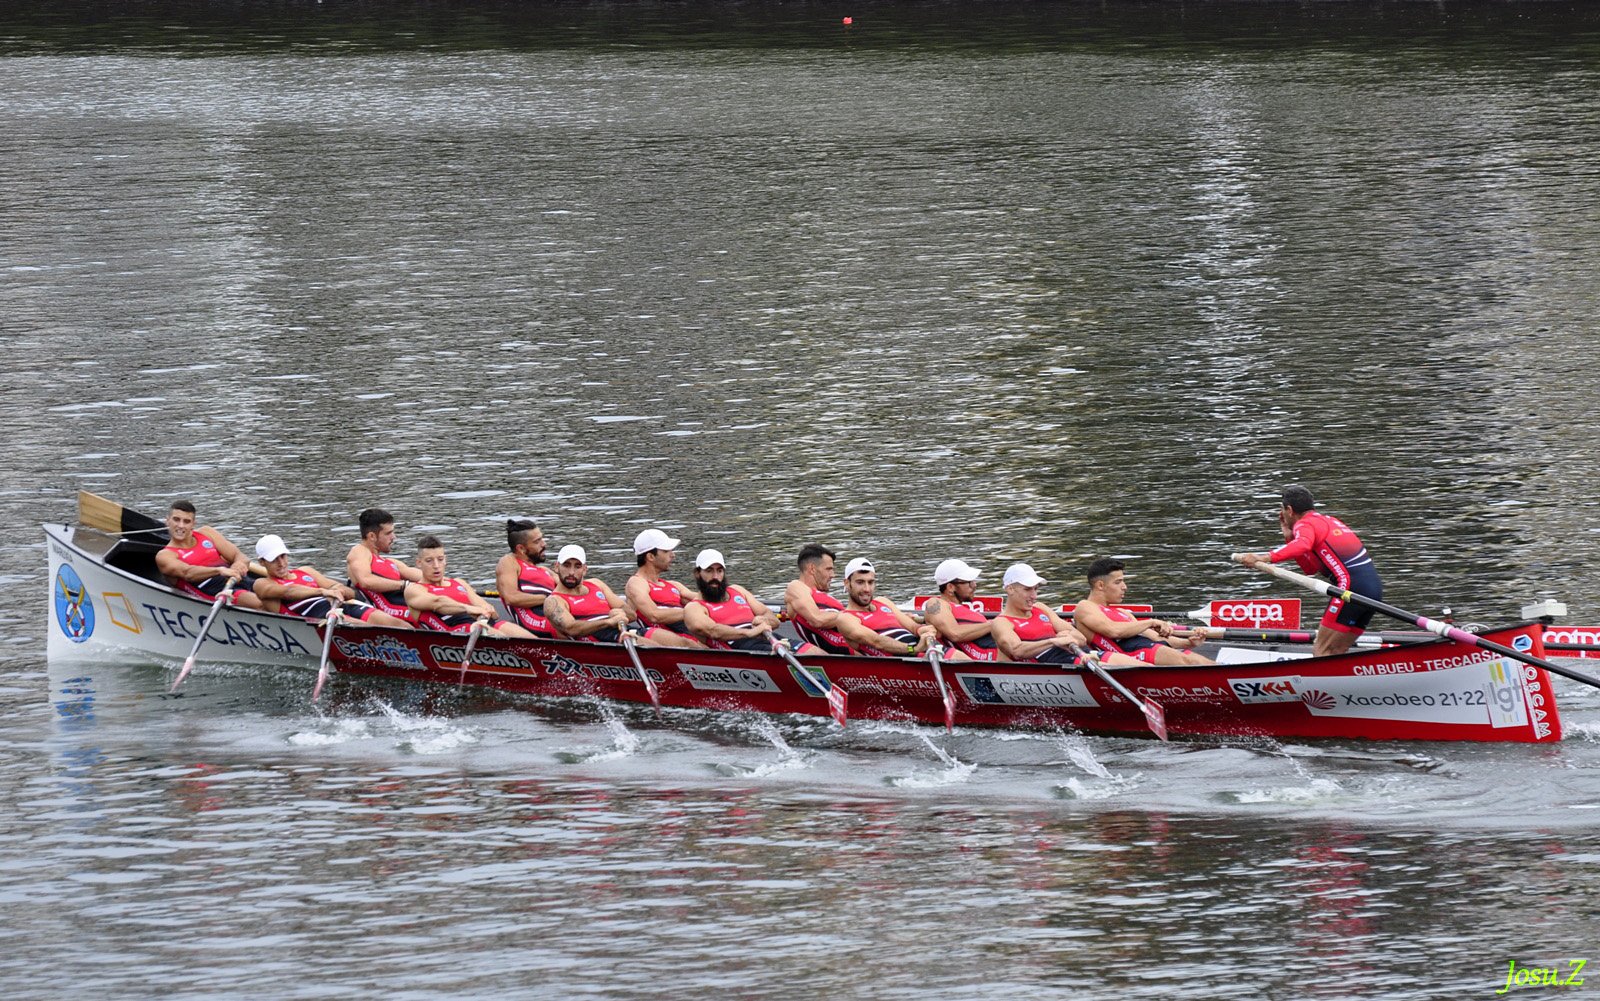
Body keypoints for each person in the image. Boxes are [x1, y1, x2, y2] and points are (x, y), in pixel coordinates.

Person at [1238, 485, 1383, 657]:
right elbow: (1310, 569)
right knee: (1338, 650)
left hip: (1350, 588)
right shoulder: (1327, 520)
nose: (1282, 515)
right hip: (1373, 590)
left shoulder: (1305, 523)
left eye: (1282, 510)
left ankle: (1319, 683)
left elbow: (1302, 545)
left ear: (1289, 510)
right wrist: (1288, 536)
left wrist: (1264, 557)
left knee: (1321, 649)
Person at [990, 563, 1142, 667]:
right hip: (1050, 665)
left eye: (1036, 589)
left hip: (1080, 653)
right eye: (1028, 589)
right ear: (1010, 589)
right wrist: (1053, 641)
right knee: (1110, 668)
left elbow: (1080, 638)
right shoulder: (1001, 622)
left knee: (1142, 667)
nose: (1034, 596)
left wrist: (1068, 638)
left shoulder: (1040, 608)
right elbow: (1017, 651)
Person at [1073, 558, 1213, 666]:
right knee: (1189, 662)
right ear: (1101, 585)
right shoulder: (1085, 606)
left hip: (1145, 646)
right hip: (1126, 653)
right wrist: (1151, 621)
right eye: (1118, 582)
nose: (1125, 587)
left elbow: (1156, 637)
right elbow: (1113, 631)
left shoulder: (1122, 612)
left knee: (1207, 663)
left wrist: (1189, 643)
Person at [252, 534, 413, 627]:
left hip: (342, 608)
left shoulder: (306, 571)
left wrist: (339, 590)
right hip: (323, 619)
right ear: (262, 562)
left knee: (400, 626)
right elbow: (289, 591)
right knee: (373, 629)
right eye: (274, 559)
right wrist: (323, 591)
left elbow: (349, 592)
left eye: (283, 556)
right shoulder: (262, 584)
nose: (281, 563)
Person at [406, 535, 534, 637]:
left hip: (480, 625)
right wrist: (469, 609)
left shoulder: (459, 583)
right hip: (454, 631)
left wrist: (486, 610)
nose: (436, 566)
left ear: (445, 560)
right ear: (419, 563)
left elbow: (490, 611)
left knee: (514, 632)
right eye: (429, 561)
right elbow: (438, 602)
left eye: (440, 559)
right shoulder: (414, 589)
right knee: (487, 631)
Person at [153, 500, 265, 609]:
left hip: (236, 579)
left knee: (274, 591)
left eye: (186, 521)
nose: (181, 526)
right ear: (167, 521)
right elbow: (188, 573)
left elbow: (240, 556)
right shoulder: (165, 555)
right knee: (261, 604)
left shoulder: (207, 533)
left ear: (193, 524)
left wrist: (239, 564)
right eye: (176, 520)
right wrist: (219, 571)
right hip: (214, 591)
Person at [683, 549, 792, 652]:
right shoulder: (693, 608)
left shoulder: (737, 590)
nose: (715, 576)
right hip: (739, 647)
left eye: (719, 571)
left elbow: (772, 618)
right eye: (709, 571)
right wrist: (749, 633)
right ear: (697, 574)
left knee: (808, 650)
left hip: (767, 637)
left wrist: (764, 620)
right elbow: (713, 631)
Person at [543, 544, 653, 645]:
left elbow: (632, 615)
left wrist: (621, 613)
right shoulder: (553, 601)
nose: (571, 572)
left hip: (621, 630)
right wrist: (608, 622)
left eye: (577, 566)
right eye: (566, 565)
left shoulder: (596, 584)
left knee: (663, 637)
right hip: (596, 638)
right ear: (557, 567)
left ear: (584, 570)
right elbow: (571, 629)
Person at [839, 558, 944, 657]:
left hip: (926, 649)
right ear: (847, 583)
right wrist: (914, 649)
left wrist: (922, 630)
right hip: (908, 658)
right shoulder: (845, 618)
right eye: (860, 582)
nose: (867, 589)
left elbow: (913, 627)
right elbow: (877, 642)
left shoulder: (883, 601)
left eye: (870, 582)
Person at [783, 543, 877, 654]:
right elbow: (816, 619)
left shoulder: (822, 595)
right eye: (828, 569)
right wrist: (855, 616)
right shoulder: (796, 587)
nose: (833, 575)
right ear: (812, 569)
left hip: (863, 635)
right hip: (855, 650)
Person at [623, 528, 706, 648]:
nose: (673, 555)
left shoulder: (674, 585)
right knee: (692, 644)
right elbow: (654, 615)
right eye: (667, 551)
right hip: (661, 636)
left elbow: (705, 600)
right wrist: (693, 612)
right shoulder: (636, 583)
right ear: (651, 556)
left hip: (686, 630)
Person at [345, 507, 423, 624]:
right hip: (383, 610)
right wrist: (404, 585)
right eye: (388, 533)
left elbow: (424, 577)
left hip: (400, 604)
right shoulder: (359, 551)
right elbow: (366, 581)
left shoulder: (391, 562)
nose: (394, 537)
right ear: (372, 536)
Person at [919, 558, 999, 661]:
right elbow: (955, 634)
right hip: (988, 657)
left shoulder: (961, 609)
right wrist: (996, 624)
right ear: (950, 587)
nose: (974, 586)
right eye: (969, 582)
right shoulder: (936, 603)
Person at [493, 518, 559, 638]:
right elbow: (511, 597)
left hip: (555, 611)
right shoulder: (509, 562)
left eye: (542, 539)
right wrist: (550, 598)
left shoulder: (545, 571)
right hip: (533, 618)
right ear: (521, 549)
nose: (544, 544)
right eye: (537, 541)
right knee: (570, 626)